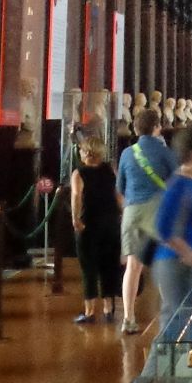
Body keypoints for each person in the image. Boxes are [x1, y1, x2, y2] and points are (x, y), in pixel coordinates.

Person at [151, 127, 192, 332]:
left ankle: (185, 363)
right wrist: (189, 253)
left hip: (190, 264)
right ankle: (157, 365)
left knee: (191, 323)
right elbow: (162, 227)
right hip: (176, 264)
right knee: (175, 326)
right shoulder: (179, 184)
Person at [115, 108, 173, 334]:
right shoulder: (165, 153)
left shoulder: (127, 153)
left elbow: (120, 187)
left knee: (133, 266)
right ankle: (168, 316)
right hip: (159, 210)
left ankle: (128, 318)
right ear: (157, 127)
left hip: (133, 211)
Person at [70, 136, 123, 324]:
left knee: (89, 267)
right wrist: (122, 215)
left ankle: (90, 311)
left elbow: (77, 197)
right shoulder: (110, 170)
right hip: (110, 222)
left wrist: (75, 218)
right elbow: (118, 195)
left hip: (89, 223)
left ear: (85, 152)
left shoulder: (79, 173)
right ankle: (109, 309)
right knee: (109, 265)